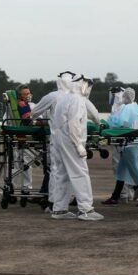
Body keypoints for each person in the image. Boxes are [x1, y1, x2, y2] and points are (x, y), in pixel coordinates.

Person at [49, 75, 103, 221]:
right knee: (80, 173)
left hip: (59, 139)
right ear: (83, 85)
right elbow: (74, 124)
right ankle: (86, 209)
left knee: (62, 174)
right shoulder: (77, 100)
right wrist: (79, 145)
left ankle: (59, 209)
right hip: (71, 141)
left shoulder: (65, 98)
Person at [30, 71, 74, 211]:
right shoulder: (77, 97)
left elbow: (34, 112)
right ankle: (73, 203)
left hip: (57, 140)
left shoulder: (52, 96)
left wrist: (43, 120)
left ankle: (53, 204)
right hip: (75, 141)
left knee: (55, 171)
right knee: (74, 173)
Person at [102, 88, 138, 206]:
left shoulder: (127, 109)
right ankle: (115, 196)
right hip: (134, 143)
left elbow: (121, 125)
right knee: (121, 171)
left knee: (135, 170)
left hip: (129, 144)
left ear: (126, 97)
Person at [10, 84, 36, 196]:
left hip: (17, 137)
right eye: (25, 94)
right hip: (24, 137)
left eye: (29, 93)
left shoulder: (13, 105)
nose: (28, 95)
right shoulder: (23, 105)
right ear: (20, 96)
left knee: (16, 165)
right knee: (27, 163)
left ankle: (11, 186)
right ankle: (26, 188)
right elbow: (27, 121)